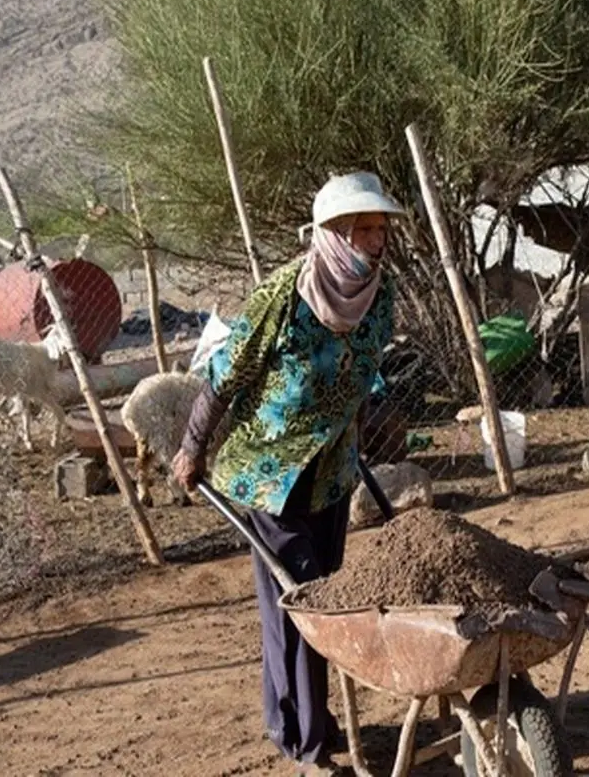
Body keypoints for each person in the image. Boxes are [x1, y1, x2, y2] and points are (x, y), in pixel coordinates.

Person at [171, 171, 405, 776]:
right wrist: (192, 447)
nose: (376, 241)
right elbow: (226, 377)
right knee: (298, 601)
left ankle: (314, 721)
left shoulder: (381, 297)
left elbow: (365, 374)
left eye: (380, 229)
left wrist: (371, 422)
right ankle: (303, 743)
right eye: (363, 230)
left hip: (330, 473)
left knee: (326, 599)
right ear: (332, 234)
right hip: (269, 477)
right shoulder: (283, 297)